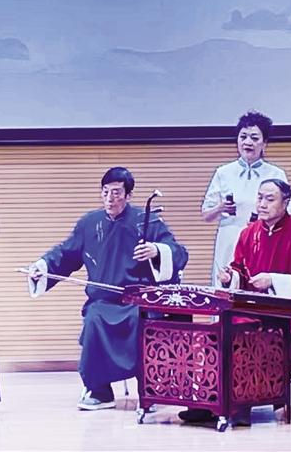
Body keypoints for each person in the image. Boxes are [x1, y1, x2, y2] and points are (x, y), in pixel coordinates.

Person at [27, 167, 188, 411]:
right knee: (94, 319)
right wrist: (42, 266)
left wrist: (157, 251)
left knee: (141, 322)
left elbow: (179, 252)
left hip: (138, 302)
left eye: (116, 192)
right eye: (105, 192)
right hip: (102, 303)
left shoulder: (147, 221)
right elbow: (66, 253)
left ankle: (149, 391)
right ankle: (100, 391)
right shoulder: (89, 223)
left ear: (128, 195)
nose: (110, 198)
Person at [180, 178, 291, 426]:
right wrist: (230, 277)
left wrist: (273, 280)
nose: (262, 204)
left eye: (270, 199)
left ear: (285, 202)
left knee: (245, 334)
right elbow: (240, 270)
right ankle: (210, 400)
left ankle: (239, 406)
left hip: (288, 314)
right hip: (254, 308)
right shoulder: (249, 232)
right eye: (260, 198)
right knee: (217, 331)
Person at [201, 111, 291, 286]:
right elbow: (206, 215)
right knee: (226, 287)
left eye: (254, 138)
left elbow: (288, 212)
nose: (247, 142)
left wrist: (263, 220)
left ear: (264, 143)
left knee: (258, 286)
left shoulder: (276, 173)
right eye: (243, 137)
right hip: (229, 239)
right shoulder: (223, 172)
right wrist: (220, 208)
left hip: (264, 240)